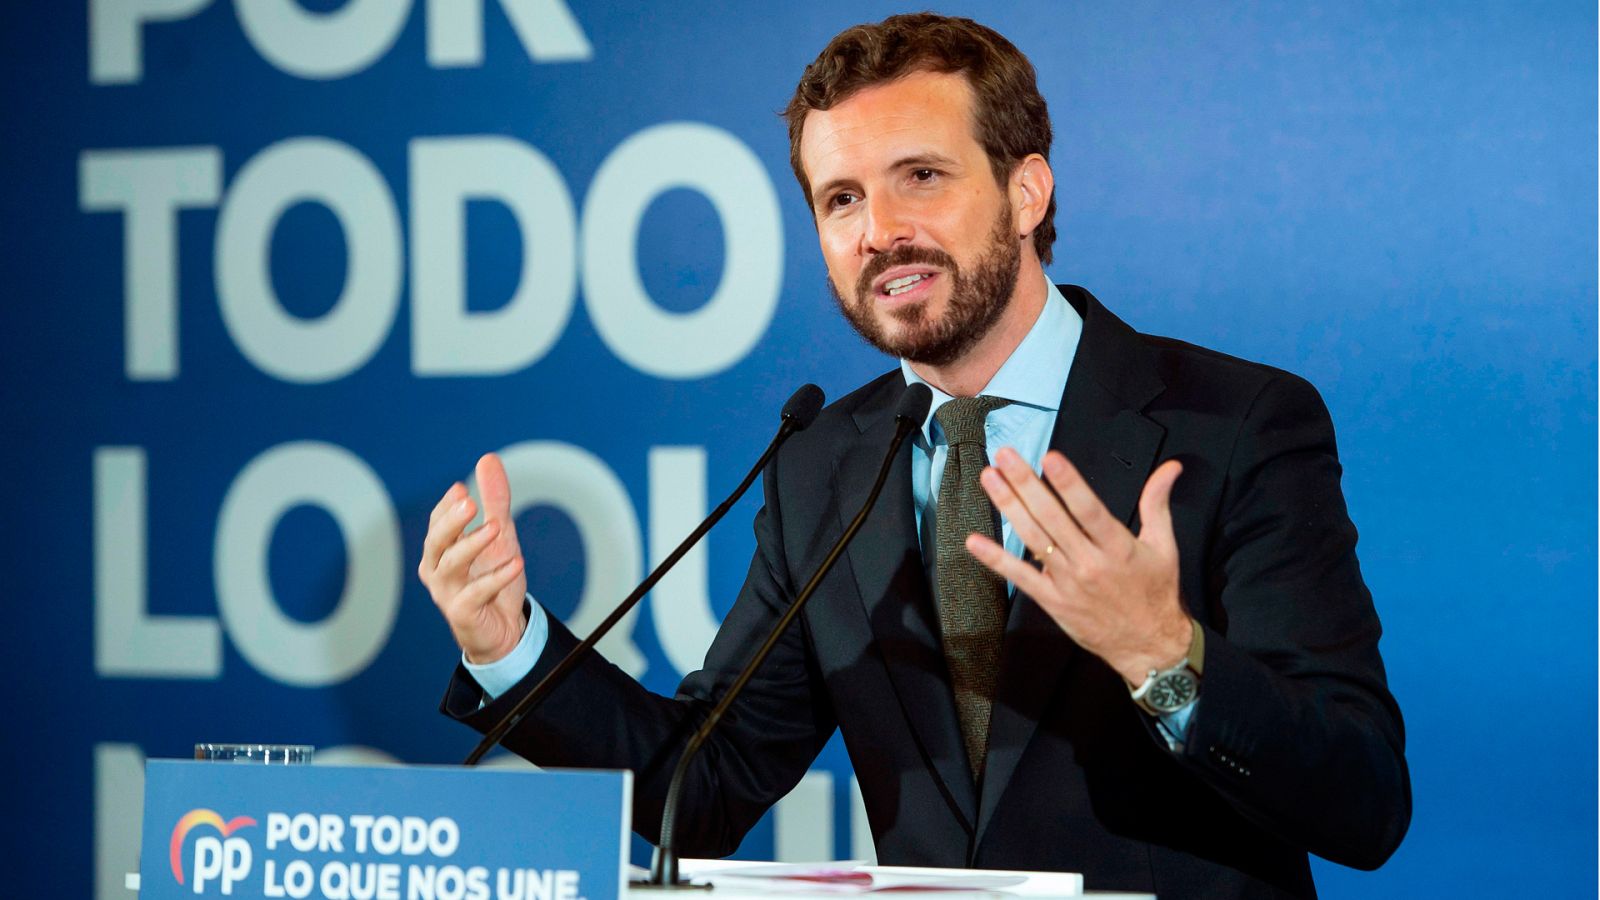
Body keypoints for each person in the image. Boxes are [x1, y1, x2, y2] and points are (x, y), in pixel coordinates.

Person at [418, 13, 1410, 898]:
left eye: (920, 178)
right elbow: (703, 791)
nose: (879, 231)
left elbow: (1363, 804)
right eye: (839, 199)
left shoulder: (1231, 423)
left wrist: (1163, 657)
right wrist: (510, 646)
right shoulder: (823, 464)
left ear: (1026, 191)